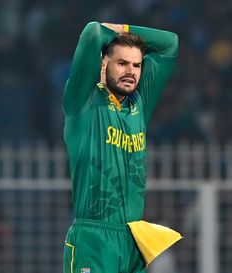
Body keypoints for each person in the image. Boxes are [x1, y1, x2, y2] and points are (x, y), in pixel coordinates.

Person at [63, 21, 181, 273]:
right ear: (103, 64)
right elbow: (94, 32)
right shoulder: (82, 101)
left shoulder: (139, 105)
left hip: (131, 240)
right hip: (93, 237)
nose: (131, 71)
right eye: (122, 63)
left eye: (137, 65)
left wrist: (125, 28)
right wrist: (112, 29)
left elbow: (170, 44)